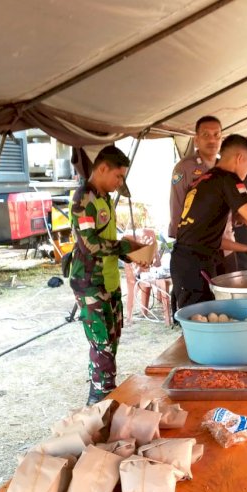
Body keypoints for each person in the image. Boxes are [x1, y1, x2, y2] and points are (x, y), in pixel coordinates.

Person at [171, 135, 247, 309]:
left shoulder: (206, 180)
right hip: (194, 265)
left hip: (187, 262)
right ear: (239, 158)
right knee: (199, 321)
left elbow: (211, 237)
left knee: (204, 318)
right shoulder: (228, 178)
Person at [68, 146, 147, 406]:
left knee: (111, 343)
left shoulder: (103, 199)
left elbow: (108, 242)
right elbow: (89, 245)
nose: (120, 183)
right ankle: (99, 404)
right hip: (90, 284)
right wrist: (126, 247)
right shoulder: (84, 199)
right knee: (101, 345)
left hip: (109, 282)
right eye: (118, 176)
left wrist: (133, 255)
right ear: (102, 168)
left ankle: (106, 399)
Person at [168, 116, 222, 239]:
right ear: (196, 140)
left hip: (224, 243)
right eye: (206, 135)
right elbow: (177, 204)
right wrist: (180, 238)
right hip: (193, 241)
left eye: (216, 135)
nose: (212, 140)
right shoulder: (184, 168)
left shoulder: (225, 168)